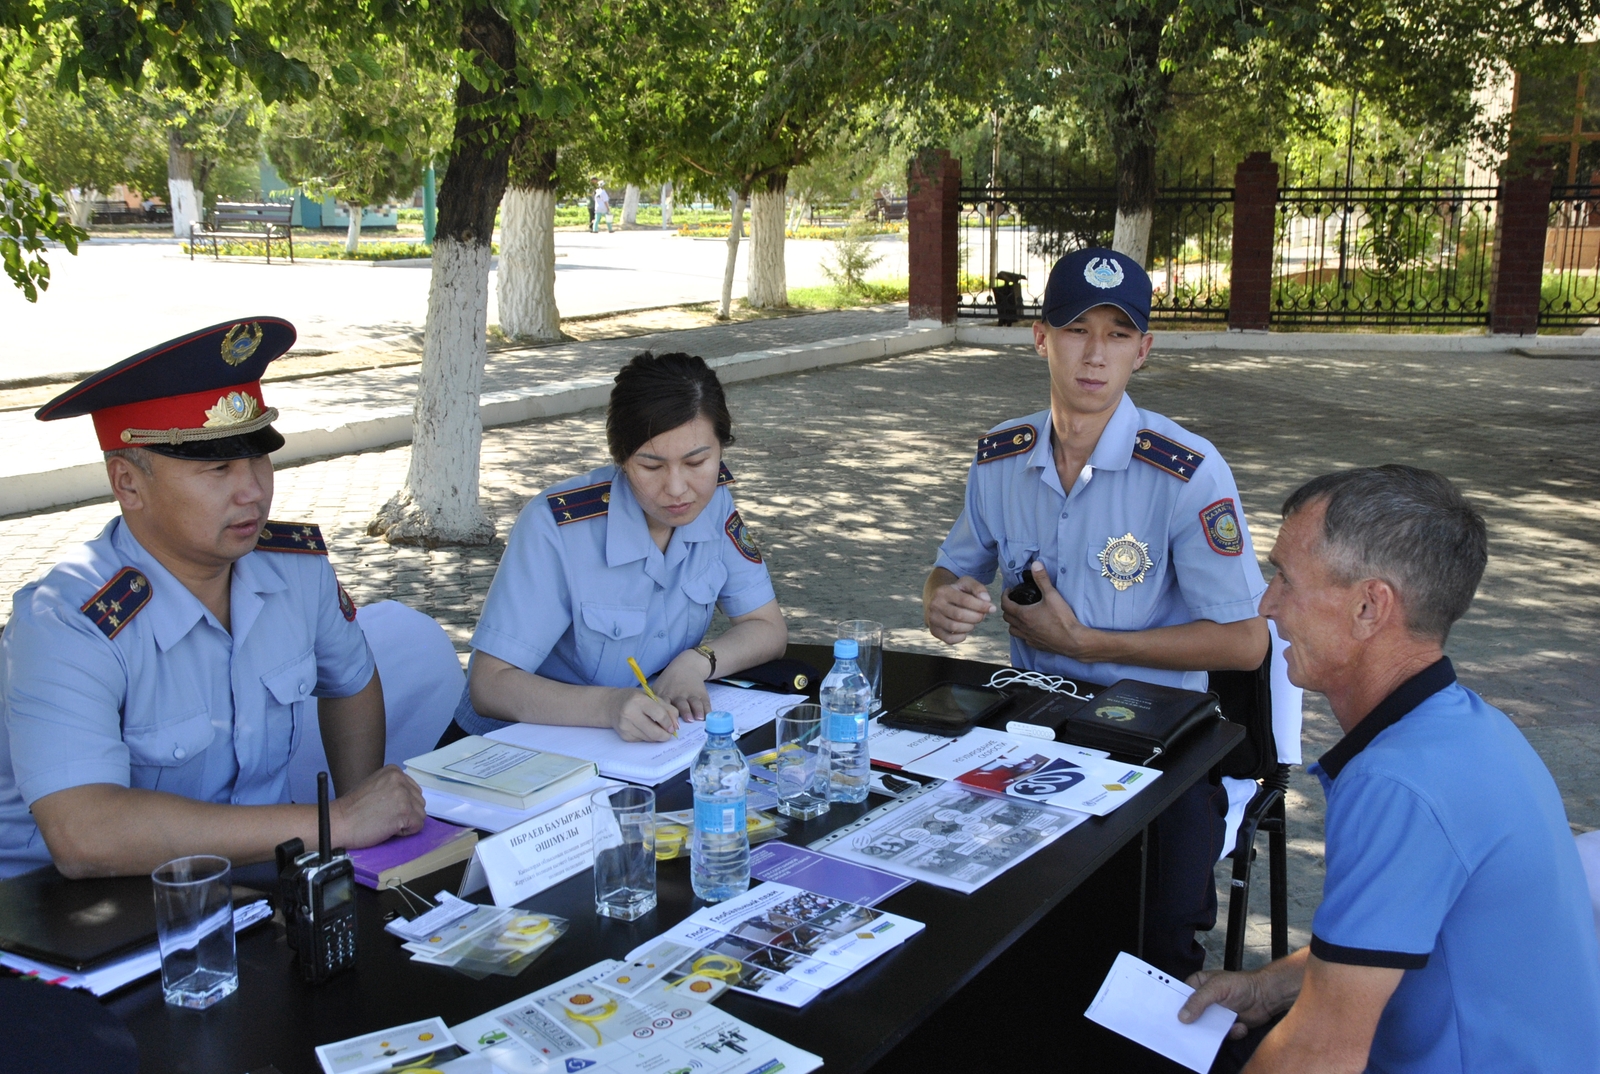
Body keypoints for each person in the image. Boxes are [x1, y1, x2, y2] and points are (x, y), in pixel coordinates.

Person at [922, 247, 1273, 979]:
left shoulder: (1185, 469)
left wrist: (1087, 642)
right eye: (1078, 328)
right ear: (1041, 337)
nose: (1095, 353)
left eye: (1118, 334)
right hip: (1031, 727)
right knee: (961, 915)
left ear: (1142, 352)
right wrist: (942, 598)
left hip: (1158, 743)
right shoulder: (998, 459)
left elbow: (1244, 644)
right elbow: (954, 568)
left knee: (1152, 947)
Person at [1178, 465, 1600, 1072]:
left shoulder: (1398, 783)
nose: (1268, 604)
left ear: (1370, 607)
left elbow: (1320, 1055)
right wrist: (1266, 988)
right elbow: (1404, 940)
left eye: (1285, 578)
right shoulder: (1474, 730)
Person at [0, 318, 425, 880]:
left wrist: (360, 850)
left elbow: (349, 680)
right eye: (217, 467)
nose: (252, 490)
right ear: (127, 483)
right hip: (78, 917)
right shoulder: (65, 622)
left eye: (258, 459)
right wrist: (338, 822)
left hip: (250, 882)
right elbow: (85, 834)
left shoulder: (295, 568)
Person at [443, 351, 787, 746]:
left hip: (637, 749)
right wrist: (609, 707)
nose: (677, 488)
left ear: (720, 449)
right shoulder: (557, 526)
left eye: (697, 462)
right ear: (621, 459)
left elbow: (768, 628)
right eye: (652, 467)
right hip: (512, 749)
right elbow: (489, 686)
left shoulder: (714, 503)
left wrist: (696, 663)